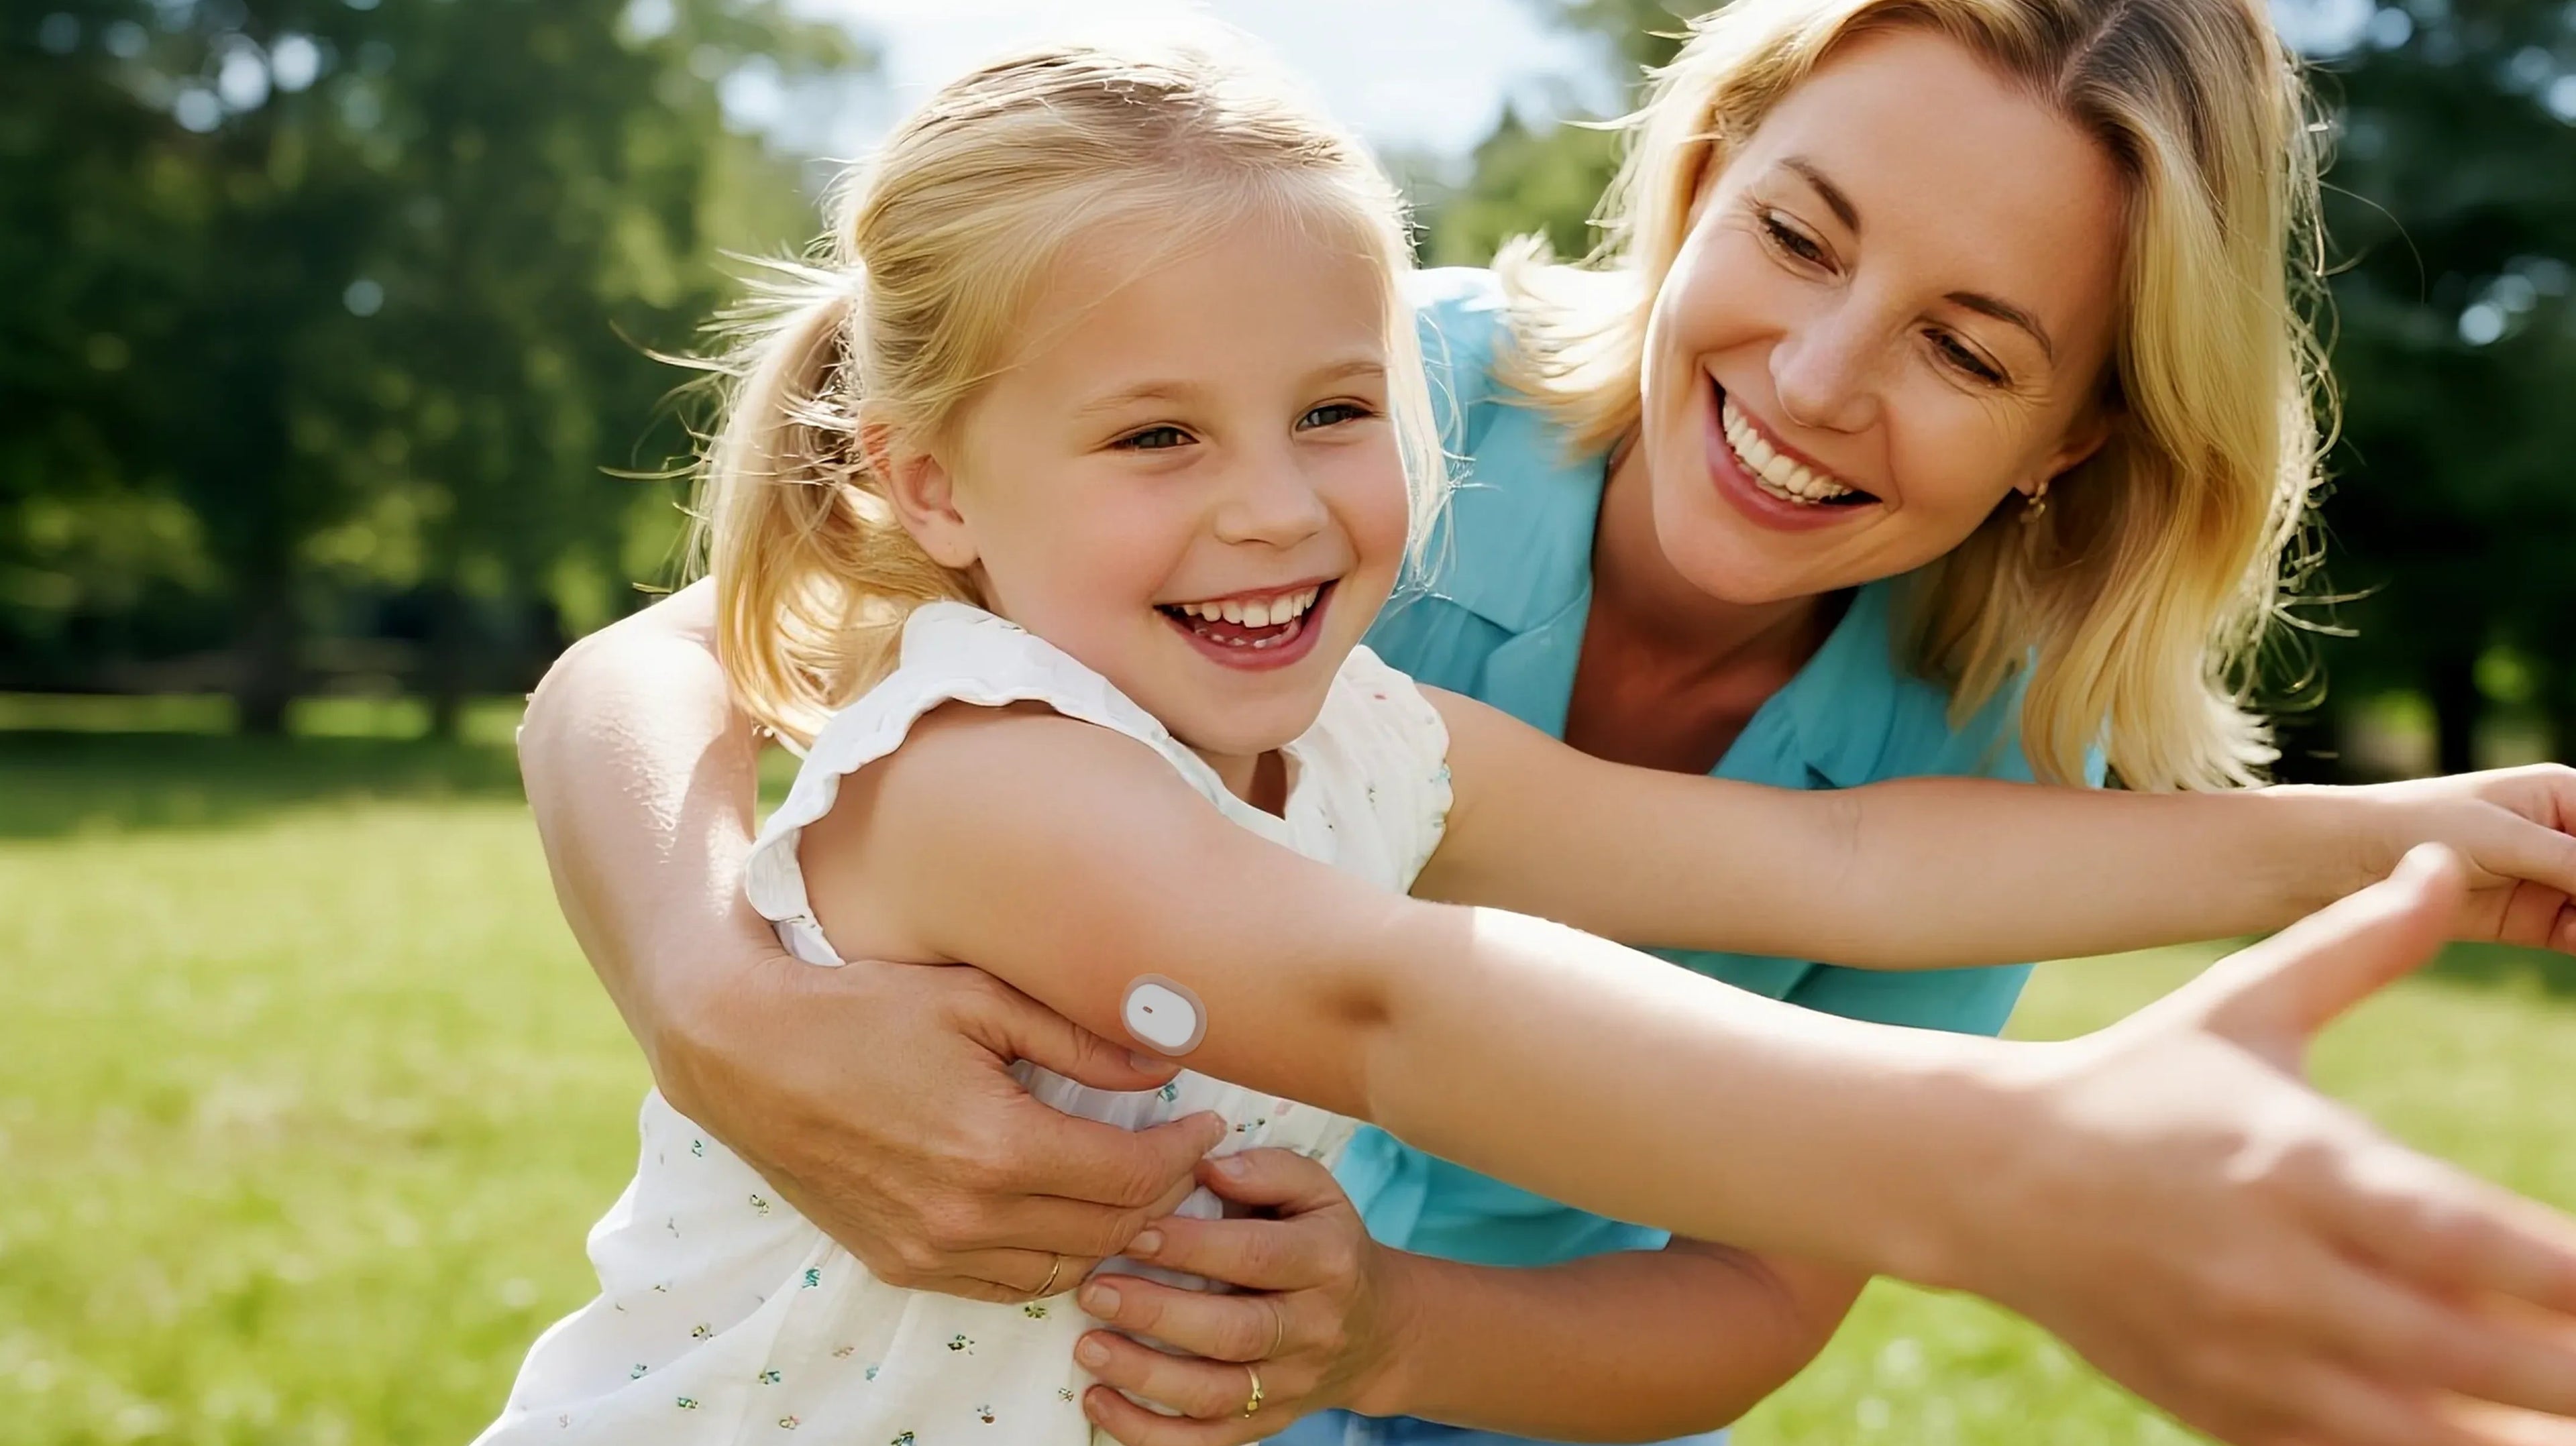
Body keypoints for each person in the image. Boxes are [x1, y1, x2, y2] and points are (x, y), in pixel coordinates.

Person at [511, 9, 2576, 1446]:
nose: (1275, 498)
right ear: (935, 486)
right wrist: (2023, 1167)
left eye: (1965, 344)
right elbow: (1384, 1003)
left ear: (2080, 433)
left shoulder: (1354, 720)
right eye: (1159, 439)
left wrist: (2400, 835)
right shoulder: (997, 756)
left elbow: (1842, 864)